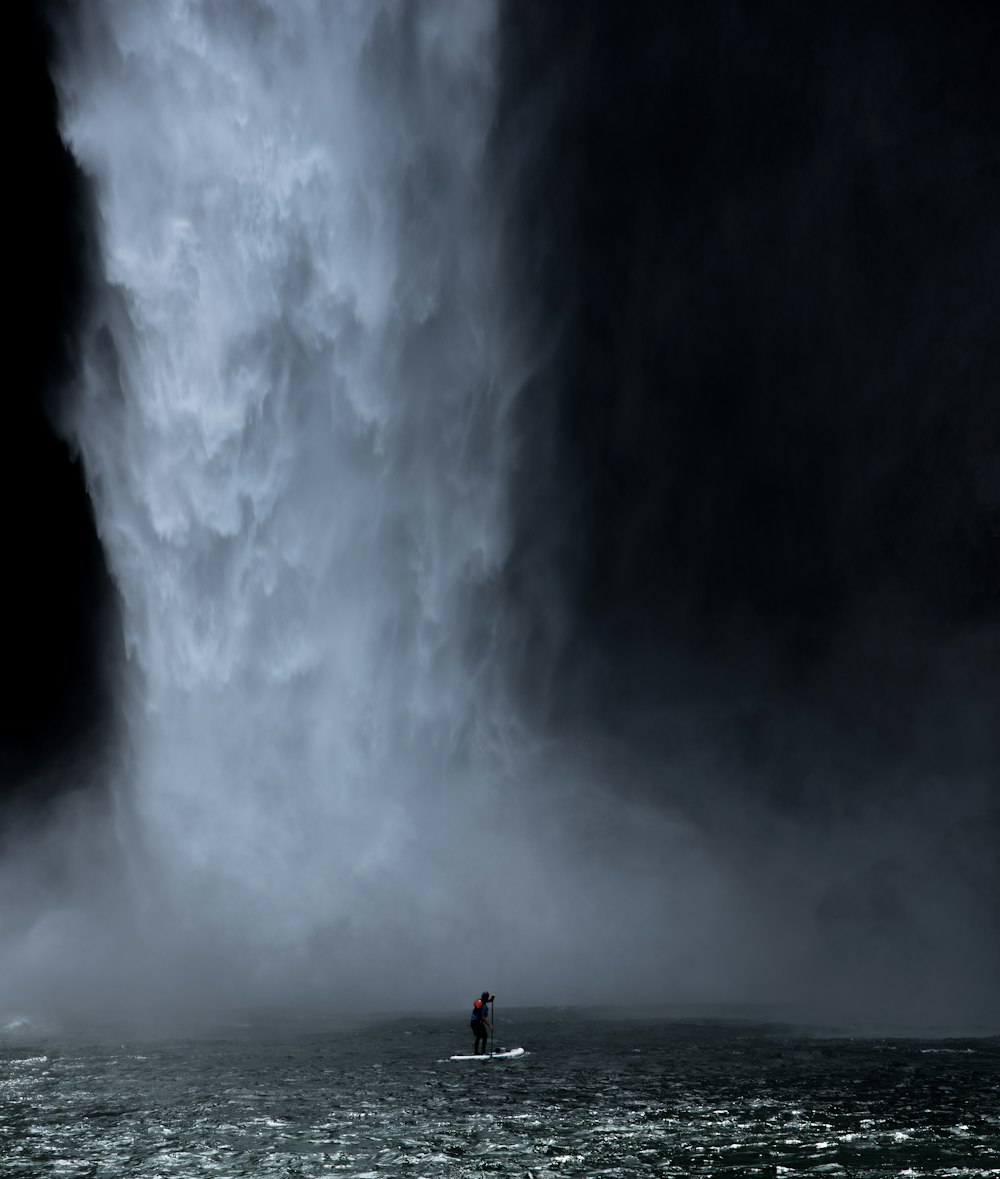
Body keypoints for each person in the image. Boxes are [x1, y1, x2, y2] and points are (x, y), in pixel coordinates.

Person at [470, 990, 494, 1054]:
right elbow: (482, 1017)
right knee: (484, 1036)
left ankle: (476, 1052)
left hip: (473, 1022)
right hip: (477, 1022)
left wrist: (492, 999)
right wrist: (489, 1025)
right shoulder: (482, 1006)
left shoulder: (480, 1001)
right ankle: (482, 1052)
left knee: (479, 1036)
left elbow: (487, 1001)